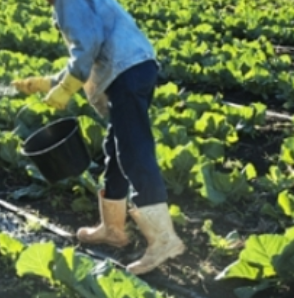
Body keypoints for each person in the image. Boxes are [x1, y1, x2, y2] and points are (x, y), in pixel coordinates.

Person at [11, 0, 185, 275]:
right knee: (116, 148)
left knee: (133, 151)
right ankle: (113, 229)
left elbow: (88, 43)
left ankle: (164, 239)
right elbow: (91, 44)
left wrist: (67, 87)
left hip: (125, 72)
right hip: (134, 68)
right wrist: (49, 83)